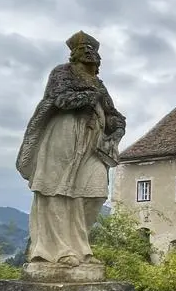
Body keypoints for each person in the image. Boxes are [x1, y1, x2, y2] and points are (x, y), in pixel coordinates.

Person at [16, 31, 125, 268]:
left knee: (95, 192)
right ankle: (58, 250)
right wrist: (91, 95)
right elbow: (61, 99)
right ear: (74, 54)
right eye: (84, 48)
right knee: (56, 189)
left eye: (93, 49)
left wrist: (116, 128)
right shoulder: (62, 72)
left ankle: (79, 246)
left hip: (92, 144)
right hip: (63, 135)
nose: (90, 52)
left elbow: (113, 114)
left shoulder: (99, 84)